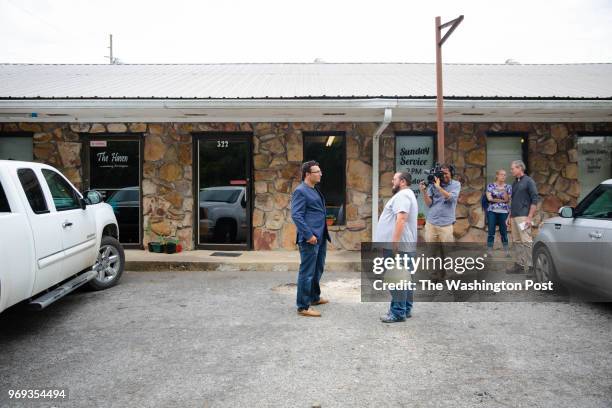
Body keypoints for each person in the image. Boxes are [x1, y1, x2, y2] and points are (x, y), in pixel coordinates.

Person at [375, 172, 418, 323]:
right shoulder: (407, 194)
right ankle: (405, 308)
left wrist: (394, 244)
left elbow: (401, 219)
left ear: (403, 181)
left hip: (398, 247)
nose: (392, 181)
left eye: (395, 179)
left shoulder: (403, 195)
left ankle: (398, 312)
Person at [290, 160, 331, 317]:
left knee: (318, 268)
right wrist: (309, 235)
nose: (320, 174)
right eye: (317, 172)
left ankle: (314, 297)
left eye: (320, 171)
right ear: (308, 174)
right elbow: (296, 215)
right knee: (307, 272)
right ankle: (303, 306)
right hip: (310, 239)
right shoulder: (300, 191)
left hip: (320, 237)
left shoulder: (314, 190)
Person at [506, 160, 539, 275]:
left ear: (520, 168)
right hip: (514, 217)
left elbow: (535, 199)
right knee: (517, 241)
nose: (511, 171)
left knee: (526, 241)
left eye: (513, 168)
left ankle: (531, 267)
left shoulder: (529, 181)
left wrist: (529, 217)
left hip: (524, 217)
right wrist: (509, 216)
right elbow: (513, 200)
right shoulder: (515, 183)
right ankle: (519, 265)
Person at [419, 164, 461, 242]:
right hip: (431, 223)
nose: (444, 176)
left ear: (451, 173)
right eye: (442, 174)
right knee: (431, 252)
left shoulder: (456, 184)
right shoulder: (433, 184)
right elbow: (429, 203)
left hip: (446, 225)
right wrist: (424, 192)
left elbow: (450, 198)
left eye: (446, 173)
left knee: (446, 252)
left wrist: (438, 187)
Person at [485, 169, 512, 257]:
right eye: (501, 175)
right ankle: (489, 251)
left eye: (505, 175)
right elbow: (489, 199)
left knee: (504, 232)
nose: (503, 176)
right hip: (492, 211)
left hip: (504, 211)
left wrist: (496, 198)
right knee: (491, 231)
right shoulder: (490, 185)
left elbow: (508, 199)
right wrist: (502, 200)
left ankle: (506, 251)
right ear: (497, 175)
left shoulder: (508, 187)